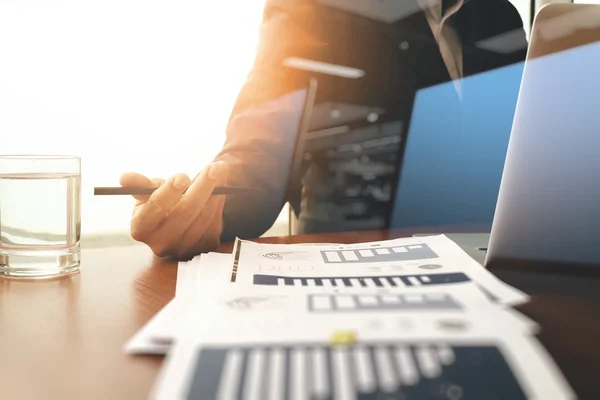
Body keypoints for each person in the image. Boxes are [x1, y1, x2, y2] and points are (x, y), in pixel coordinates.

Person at [120, 0, 528, 259]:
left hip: (494, 263)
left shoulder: (498, 16)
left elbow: (524, 144)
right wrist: (206, 207)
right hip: (355, 267)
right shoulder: (312, 8)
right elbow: (258, 151)